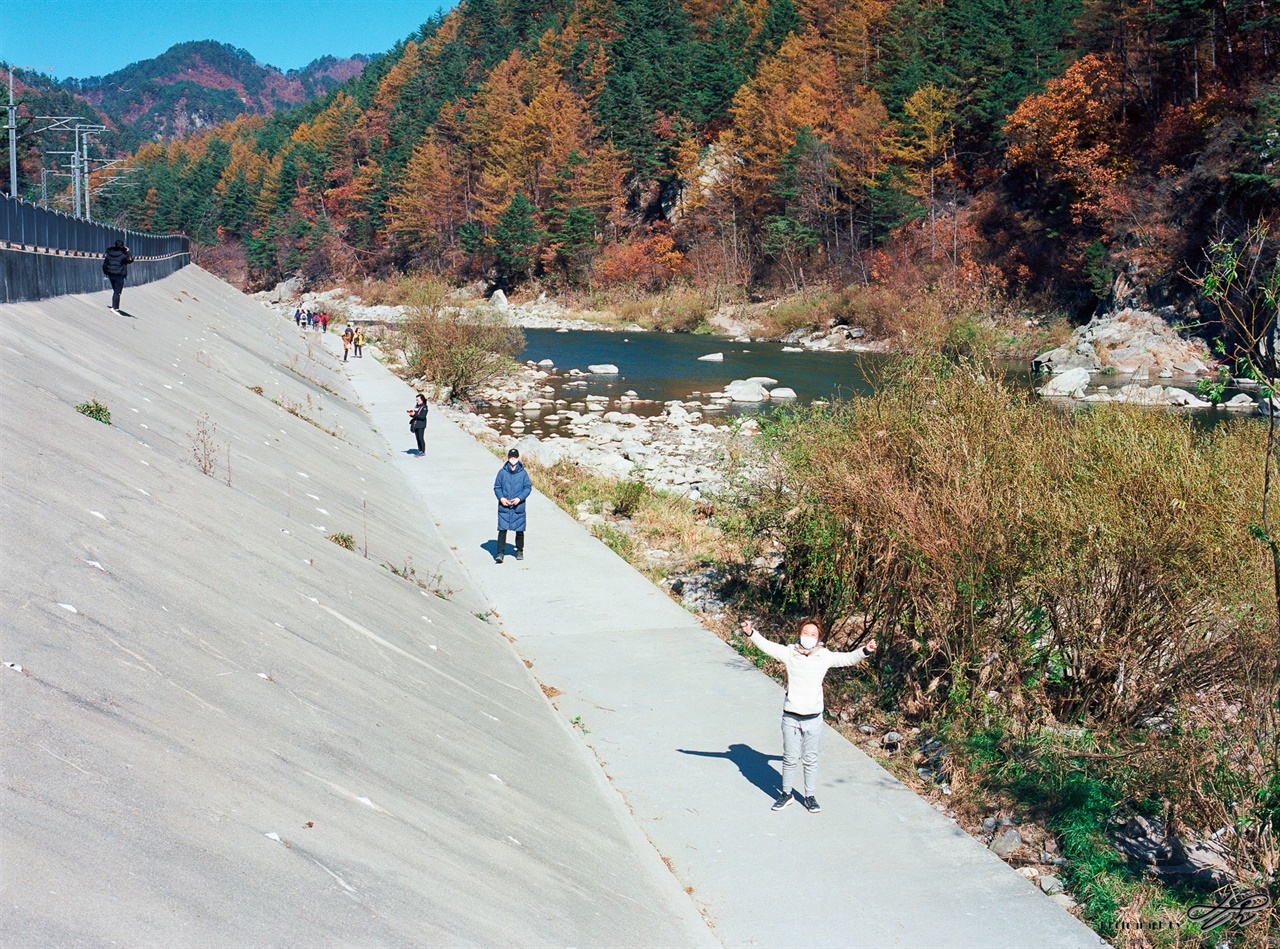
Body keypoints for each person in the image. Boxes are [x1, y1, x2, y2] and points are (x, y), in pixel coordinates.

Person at [737, 618, 877, 813]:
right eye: (805, 633)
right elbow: (767, 646)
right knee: (790, 757)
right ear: (799, 634)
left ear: (819, 637)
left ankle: (809, 796)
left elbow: (847, 658)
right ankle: (786, 794)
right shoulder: (790, 653)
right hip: (791, 716)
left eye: (813, 634)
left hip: (813, 718)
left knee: (810, 758)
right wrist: (751, 633)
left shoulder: (825, 656)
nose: (809, 637)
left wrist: (866, 650)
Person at [493, 448, 532, 563]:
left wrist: (519, 498)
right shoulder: (502, 472)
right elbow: (497, 487)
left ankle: (519, 551)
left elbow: (528, 488)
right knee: (502, 530)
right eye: (511, 457)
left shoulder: (523, 473)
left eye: (515, 457)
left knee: (519, 530)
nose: (513, 459)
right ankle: (500, 553)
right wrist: (501, 498)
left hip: (518, 506)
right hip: (504, 507)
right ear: (508, 458)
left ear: (518, 458)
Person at [101, 239, 134, 312]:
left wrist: (106, 273)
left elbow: (105, 264)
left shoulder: (109, 254)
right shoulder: (123, 255)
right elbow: (130, 260)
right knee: (117, 292)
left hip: (111, 274)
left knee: (115, 290)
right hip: (119, 274)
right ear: (122, 246)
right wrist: (128, 252)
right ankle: (115, 307)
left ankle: (115, 306)